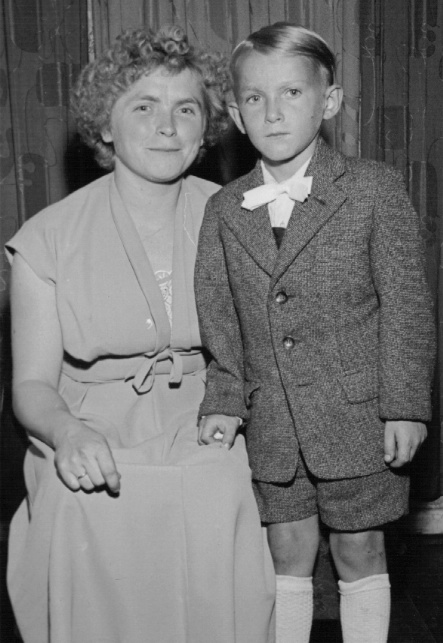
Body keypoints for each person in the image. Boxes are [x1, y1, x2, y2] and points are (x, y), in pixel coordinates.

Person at [6, 25, 275, 643]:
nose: (167, 127)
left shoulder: (242, 217)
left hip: (209, 414)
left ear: (206, 128)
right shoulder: (48, 238)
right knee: (79, 501)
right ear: (105, 125)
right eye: (144, 107)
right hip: (91, 419)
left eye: (186, 110)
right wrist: (68, 434)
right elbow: (31, 384)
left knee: (219, 487)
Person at [195, 22, 435, 643]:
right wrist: (223, 400)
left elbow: (406, 307)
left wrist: (405, 405)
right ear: (236, 115)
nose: (273, 113)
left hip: (357, 416)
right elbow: (220, 320)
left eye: (292, 93)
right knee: (285, 550)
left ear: (328, 102)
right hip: (272, 421)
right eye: (254, 98)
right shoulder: (223, 209)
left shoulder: (373, 188)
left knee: (360, 548)